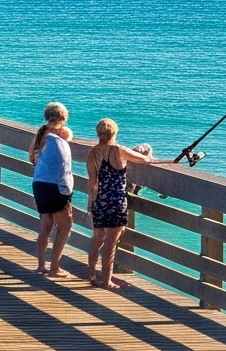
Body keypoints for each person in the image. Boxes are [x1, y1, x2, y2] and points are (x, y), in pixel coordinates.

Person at [85, 118, 153, 290]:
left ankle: (92, 275)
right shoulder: (119, 150)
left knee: (97, 239)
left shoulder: (92, 153)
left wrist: (91, 203)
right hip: (116, 202)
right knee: (111, 243)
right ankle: (107, 281)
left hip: (99, 200)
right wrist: (148, 153)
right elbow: (144, 160)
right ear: (114, 133)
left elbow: (92, 183)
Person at [29, 103, 76, 278]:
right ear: (62, 119)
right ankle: (55, 267)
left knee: (46, 226)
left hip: (39, 183)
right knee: (66, 225)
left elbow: (32, 159)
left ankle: (41, 265)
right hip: (55, 185)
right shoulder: (58, 136)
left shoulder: (41, 135)